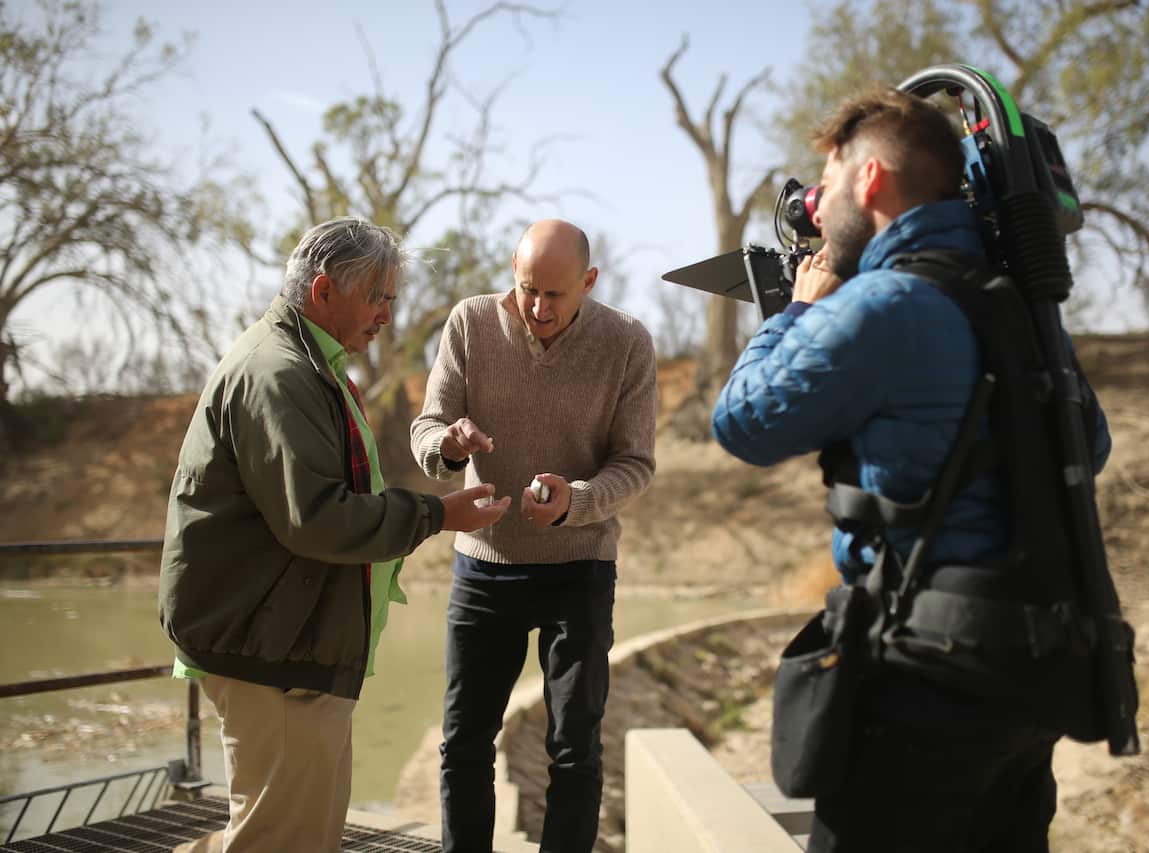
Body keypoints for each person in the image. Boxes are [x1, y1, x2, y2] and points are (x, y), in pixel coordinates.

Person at [711, 87, 1112, 852]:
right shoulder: (1017, 304)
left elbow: (743, 422)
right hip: (1032, 681)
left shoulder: (885, 305)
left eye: (823, 187)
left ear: (868, 182)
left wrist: (797, 311)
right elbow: (1088, 447)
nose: (815, 211)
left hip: (925, 686)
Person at [159, 217, 510, 853]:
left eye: (391, 298)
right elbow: (317, 518)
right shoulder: (281, 374)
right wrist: (438, 516)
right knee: (278, 840)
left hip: (291, 639)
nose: (387, 315)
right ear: (323, 293)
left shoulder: (307, 363)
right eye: (377, 297)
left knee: (299, 834)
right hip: (271, 647)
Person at [410, 218, 656, 853]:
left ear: (589, 282)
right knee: (464, 740)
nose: (538, 308)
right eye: (526, 291)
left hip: (580, 564)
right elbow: (427, 428)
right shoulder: (469, 324)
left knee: (574, 746)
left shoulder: (627, 341)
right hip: (485, 567)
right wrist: (448, 443)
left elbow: (636, 464)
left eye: (555, 294)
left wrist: (575, 501)